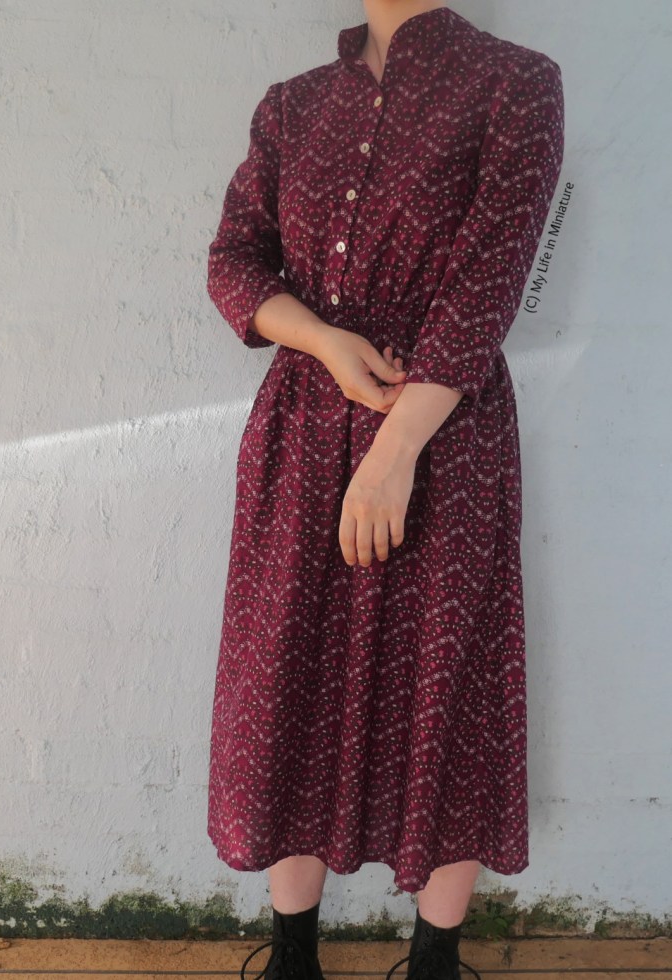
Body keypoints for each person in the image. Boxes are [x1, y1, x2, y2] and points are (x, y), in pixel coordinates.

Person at [205, 1, 565, 977]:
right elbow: (234, 261)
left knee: (445, 685)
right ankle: (291, 953)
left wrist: (395, 448)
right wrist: (322, 338)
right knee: (287, 673)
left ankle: (436, 958)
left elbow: (491, 278)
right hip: (301, 430)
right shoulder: (290, 107)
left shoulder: (514, 82)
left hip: (445, 433)